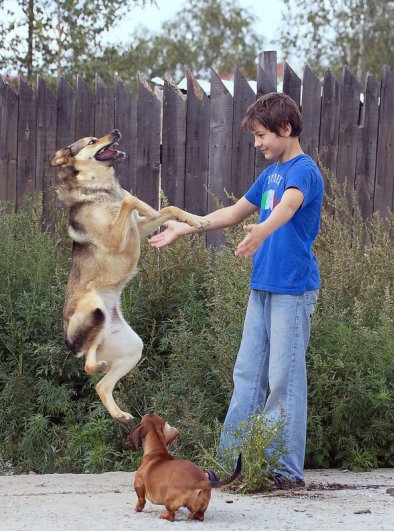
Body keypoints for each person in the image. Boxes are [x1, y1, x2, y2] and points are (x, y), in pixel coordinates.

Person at [149, 92, 324, 489]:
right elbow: (233, 212)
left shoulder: (303, 170)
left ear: (285, 129)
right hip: (262, 286)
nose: (258, 144)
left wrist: (263, 230)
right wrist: (186, 226)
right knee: (247, 374)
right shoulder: (270, 174)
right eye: (254, 137)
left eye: (262, 135)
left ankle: (286, 472)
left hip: (292, 291)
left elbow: (290, 207)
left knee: (284, 379)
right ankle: (229, 465)